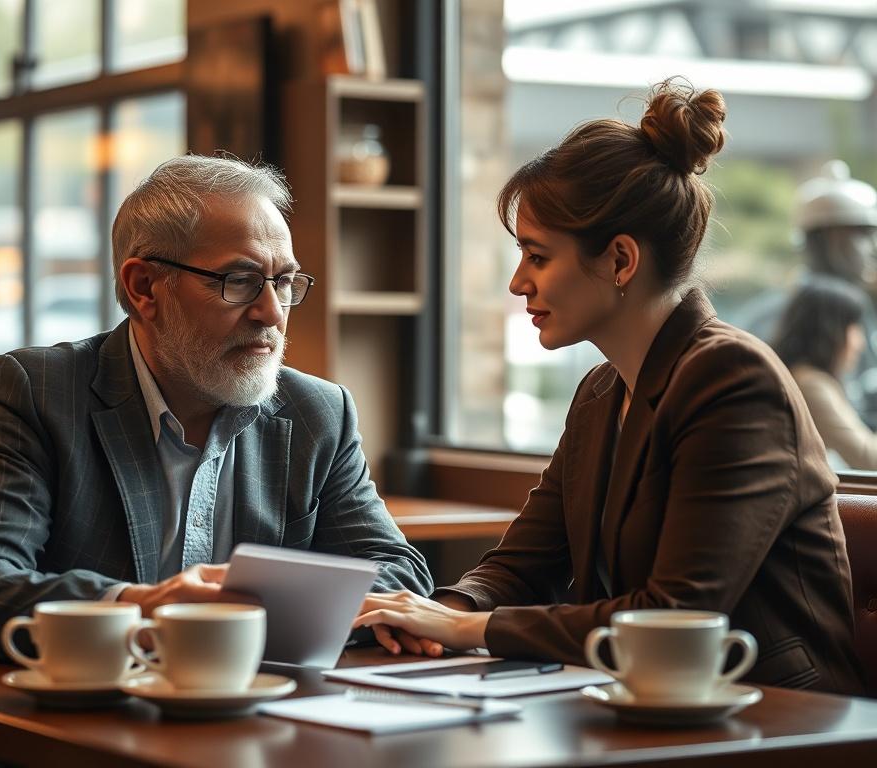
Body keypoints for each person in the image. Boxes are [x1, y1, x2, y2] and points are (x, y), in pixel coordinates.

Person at [353, 80, 865, 695]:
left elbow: (674, 617)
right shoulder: (602, 391)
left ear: (621, 260)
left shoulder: (734, 380)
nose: (518, 283)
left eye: (537, 257)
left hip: (776, 717)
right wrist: (451, 611)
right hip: (644, 702)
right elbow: (525, 561)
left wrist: (476, 629)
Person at [0, 154, 433, 661]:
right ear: (144, 287)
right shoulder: (39, 390)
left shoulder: (316, 411)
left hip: (251, 716)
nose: (272, 312)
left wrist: (251, 614)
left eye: (284, 282)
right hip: (66, 718)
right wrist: (141, 609)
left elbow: (398, 574)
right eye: (240, 281)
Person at [734, 160, 877, 426]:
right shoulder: (773, 317)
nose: (872, 246)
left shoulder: (860, 312)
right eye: (861, 233)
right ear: (821, 240)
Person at [772, 277, 877, 470]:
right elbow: (868, 458)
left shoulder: (802, 376)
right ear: (831, 330)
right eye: (853, 328)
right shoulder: (811, 385)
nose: (859, 342)